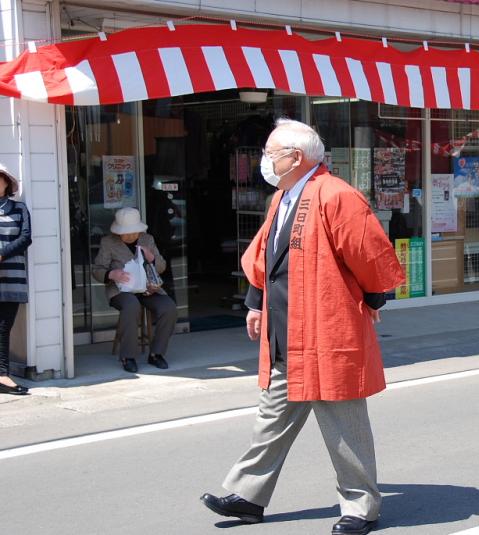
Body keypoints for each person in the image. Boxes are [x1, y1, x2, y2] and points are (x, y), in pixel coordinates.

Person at [201, 119, 404, 535]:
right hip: (285, 329)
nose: (264, 160)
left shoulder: (336, 194)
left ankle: (361, 506)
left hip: (325, 330)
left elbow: (368, 252)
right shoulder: (285, 195)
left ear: (295, 157)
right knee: (271, 417)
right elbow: (265, 257)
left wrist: (374, 297)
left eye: (269, 152)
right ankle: (248, 495)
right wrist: (255, 304)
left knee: (344, 424)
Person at [92, 207, 177, 373]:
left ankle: (156, 353)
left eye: (134, 232)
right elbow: (97, 269)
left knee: (169, 307)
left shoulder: (147, 239)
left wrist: (152, 258)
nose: (131, 236)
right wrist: (111, 274)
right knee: (131, 306)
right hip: (121, 290)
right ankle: (128, 356)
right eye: (127, 232)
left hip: (148, 289)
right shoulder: (108, 242)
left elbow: (161, 266)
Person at [0, 164, 31, 395]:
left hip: (12, 276)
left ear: (7, 183)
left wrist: (2, 253)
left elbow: (26, 237)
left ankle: (3, 375)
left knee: (3, 327)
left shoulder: (18, 208)